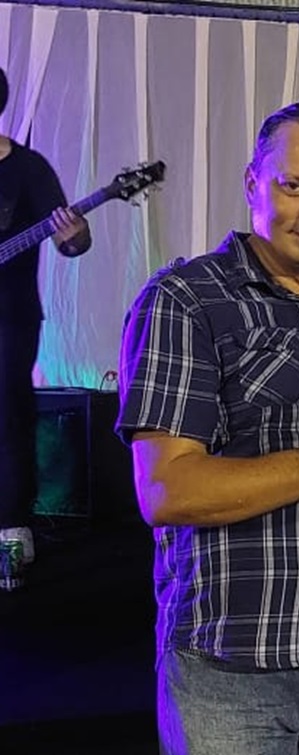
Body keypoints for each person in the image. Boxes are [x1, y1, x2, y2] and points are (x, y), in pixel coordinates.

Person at [116, 101, 299, 754]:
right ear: (253, 184)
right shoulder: (186, 301)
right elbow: (165, 489)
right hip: (236, 669)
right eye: (294, 185)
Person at [0, 65, 91, 583]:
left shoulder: (29, 170)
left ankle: (12, 531)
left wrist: (75, 233)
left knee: (8, 417)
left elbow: (71, 243)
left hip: (9, 319)